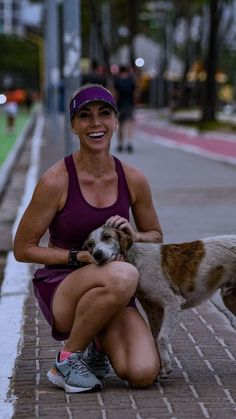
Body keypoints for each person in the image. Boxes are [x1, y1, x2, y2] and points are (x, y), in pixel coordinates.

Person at [13, 83, 163, 394]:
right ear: (73, 125)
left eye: (104, 113)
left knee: (143, 372)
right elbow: (22, 249)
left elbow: (156, 236)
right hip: (64, 287)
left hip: (115, 289)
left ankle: (97, 346)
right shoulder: (56, 180)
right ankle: (67, 361)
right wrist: (77, 258)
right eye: (85, 115)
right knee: (124, 274)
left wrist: (133, 234)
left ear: (116, 121)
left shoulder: (132, 178)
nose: (96, 123)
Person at [113, 65, 136, 153]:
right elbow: (135, 94)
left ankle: (120, 144)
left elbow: (116, 95)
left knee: (120, 125)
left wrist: (114, 105)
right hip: (129, 105)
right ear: (126, 71)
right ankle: (129, 142)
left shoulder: (117, 81)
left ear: (119, 71)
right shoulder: (131, 81)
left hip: (120, 106)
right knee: (129, 124)